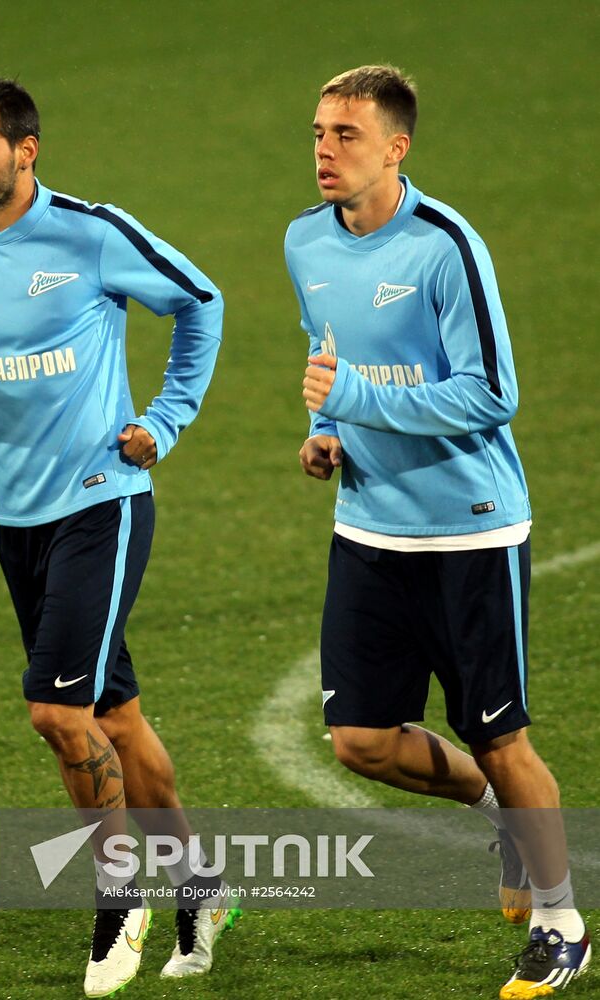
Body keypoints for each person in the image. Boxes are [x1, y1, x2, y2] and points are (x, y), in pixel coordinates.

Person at [0, 77, 239, 998]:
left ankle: (122, 903)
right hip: (15, 519)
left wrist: (169, 417)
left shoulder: (89, 230)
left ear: (26, 150)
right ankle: (200, 882)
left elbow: (200, 300)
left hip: (99, 500)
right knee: (113, 713)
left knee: (56, 712)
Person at [284, 65, 591, 999]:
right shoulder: (305, 241)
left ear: (395, 147)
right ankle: (500, 814)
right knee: (360, 740)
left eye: (344, 135)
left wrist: (354, 397)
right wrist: (328, 432)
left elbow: (492, 393)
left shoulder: (444, 246)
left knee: (501, 735)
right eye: (317, 132)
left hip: (469, 530)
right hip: (368, 528)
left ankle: (562, 921)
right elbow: (330, 358)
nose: (325, 151)